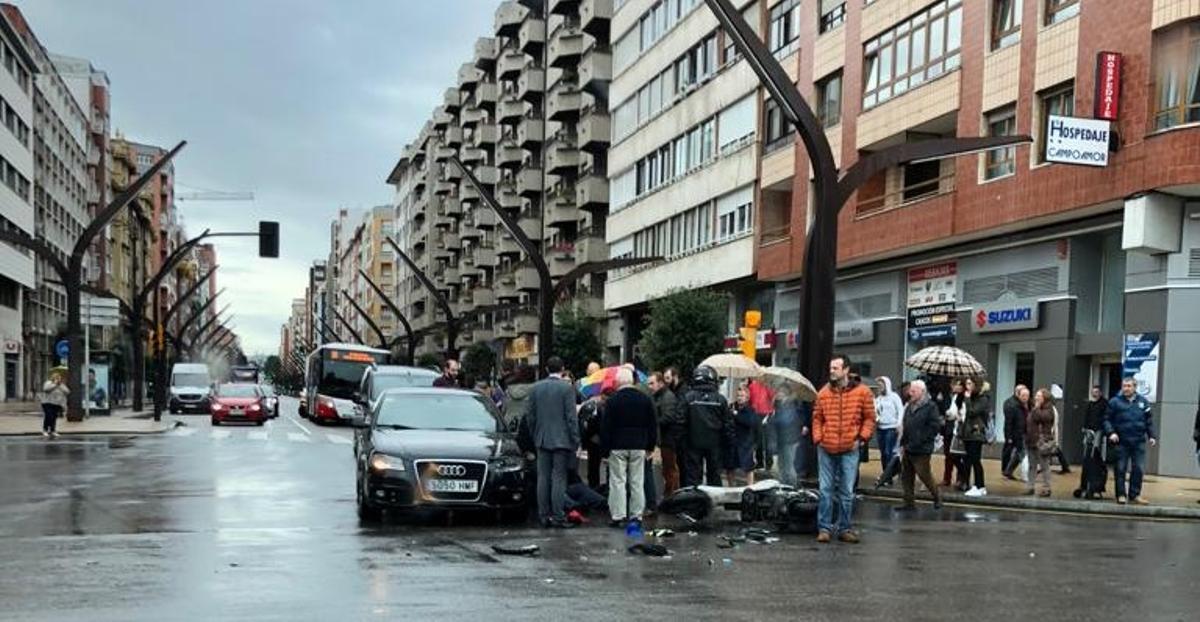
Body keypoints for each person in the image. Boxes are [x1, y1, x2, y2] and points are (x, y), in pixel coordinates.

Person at [811, 354, 876, 544]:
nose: (831, 371)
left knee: (847, 491)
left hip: (850, 447)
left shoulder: (863, 392)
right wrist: (818, 438)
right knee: (825, 490)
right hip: (826, 447)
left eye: (835, 368)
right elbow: (817, 418)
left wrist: (861, 439)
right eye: (831, 368)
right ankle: (824, 529)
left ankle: (844, 528)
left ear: (846, 370)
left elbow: (870, 418)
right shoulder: (823, 393)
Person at [599, 368, 658, 527]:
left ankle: (618, 515)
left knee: (617, 481)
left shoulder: (613, 401)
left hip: (617, 445)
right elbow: (652, 424)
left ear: (618, 382)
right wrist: (650, 446)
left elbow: (606, 427)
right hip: (639, 445)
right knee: (637, 481)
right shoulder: (644, 399)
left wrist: (604, 451)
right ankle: (636, 515)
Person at [526, 357, 579, 528]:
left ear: (547, 369)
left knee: (543, 477)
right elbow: (571, 418)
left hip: (541, 438)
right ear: (562, 369)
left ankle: (543, 515)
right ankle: (558, 515)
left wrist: (535, 434)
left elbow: (530, 416)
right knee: (559, 478)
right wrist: (575, 439)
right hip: (562, 439)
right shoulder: (567, 388)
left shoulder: (535, 388)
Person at [1105, 377, 1156, 505]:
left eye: (1129, 386)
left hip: (1138, 441)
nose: (1126, 388)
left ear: (1135, 387)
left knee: (1138, 468)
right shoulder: (1115, 402)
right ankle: (1121, 495)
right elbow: (1106, 419)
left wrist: (1152, 436)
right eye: (1124, 386)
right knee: (1120, 468)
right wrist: (1111, 432)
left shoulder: (1143, 402)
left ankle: (1135, 495)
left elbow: (1148, 421)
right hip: (1121, 441)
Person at [894, 380, 943, 512]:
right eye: (911, 390)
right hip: (908, 446)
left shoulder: (931, 407)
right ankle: (909, 502)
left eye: (914, 391)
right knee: (907, 476)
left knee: (924, 474)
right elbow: (906, 424)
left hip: (922, 448)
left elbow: (934, 427)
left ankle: (937, 497)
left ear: (922, 392)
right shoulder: (910, 406)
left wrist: (920, 439)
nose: (911, 393)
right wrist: (903, 443)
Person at [679, 365, 729, 487]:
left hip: (693, 443)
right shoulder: (720, 399)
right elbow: (728, 424)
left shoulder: (689, 398)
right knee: (715, 475)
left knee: (693, 476)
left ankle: (694, 502)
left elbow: (680, 421)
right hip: (715, 444)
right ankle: (715, 501)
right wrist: (728, 443)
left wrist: (681, 442)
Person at [648, 372, 682, 496]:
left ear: (660, 383)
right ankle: (670, 494)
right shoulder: (659, 396)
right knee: (667, 470)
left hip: (668, 439)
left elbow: (668, 417)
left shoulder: (667, 397)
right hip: (664, 439)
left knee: (670, 469)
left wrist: (652, 422)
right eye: (648, 383)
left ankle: (672, 496)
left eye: (652, 383)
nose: (649, 386)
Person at [958, 378, 991, 497]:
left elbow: (972, 412)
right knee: (968, 459)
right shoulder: (972, 398)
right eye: (966, 383)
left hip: (976, 433)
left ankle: (980, 486)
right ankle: (973, 485)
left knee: (975, 460)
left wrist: (967, 399)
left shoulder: (983, 399)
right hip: (968, 433)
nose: (967, 386)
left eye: (969, 383)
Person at [1076, 385, 1110, 499]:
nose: (1094, 394)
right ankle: (1085, 485)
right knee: (1087, 458)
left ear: (1100, 392)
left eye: (1096, 392)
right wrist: (1084, 428)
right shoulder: (1090, 404)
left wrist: (1101, 431)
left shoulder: (1104, 404)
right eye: (1093, 392)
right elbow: (1087, 417)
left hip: (1098, 432)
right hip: (1089, 433)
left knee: (1094, 457)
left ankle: (1093, 486)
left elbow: (1105, 419)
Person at [1025, 388, 1058, 498]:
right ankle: (1030, 486)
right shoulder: (1036, 408)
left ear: (1045, 397)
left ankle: (1046, 488)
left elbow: (1042, 418)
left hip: (1042, 441)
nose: (1036, 398)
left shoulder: (1049, 409)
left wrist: (1037, 408)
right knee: (1032, 465)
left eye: (1038, 396)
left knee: (1044, 466)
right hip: (1032, 440)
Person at [771, 386, 804, 487]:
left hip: (790, 439)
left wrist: (773, 419)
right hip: (782, 439)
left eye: (779, 392)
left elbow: (785, 421)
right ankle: (785, 486)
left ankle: (793, 487)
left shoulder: (791, 405)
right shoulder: (778, 405)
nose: (777, 394)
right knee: (783, 467)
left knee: (789, 467)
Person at [874, 377, 903, 480]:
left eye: (881, 385)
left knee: (888, 452)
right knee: (883, 453)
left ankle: (888, 475)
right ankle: (887, 474)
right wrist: (876, 419)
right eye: (878, 386)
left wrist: (899, 424)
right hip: (880, 428)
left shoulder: (894, 397)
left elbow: (900, 410)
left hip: (891, 427)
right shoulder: (877, 399)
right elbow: (875, 412)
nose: (879, 387)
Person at [729, 383, 758, 486]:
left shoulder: (750, 410)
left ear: (747, 397)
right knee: (730, 466)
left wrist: (736, 415)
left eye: (742, 396)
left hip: (745, 442)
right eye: (738, 395)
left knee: (748, 467)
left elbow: (750, 423)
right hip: (733, 440)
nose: (739, 398)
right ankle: (731, 487)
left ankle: (750, 487)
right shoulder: (732, 407)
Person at [941, 379, 967, 489]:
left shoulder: (966, 398)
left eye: (957, 385)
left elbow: (964, 414)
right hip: (950, 429)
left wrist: (959, 417)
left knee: (957, 456)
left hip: (960, 431)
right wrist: (948, 414)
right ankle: (947, 478)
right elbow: (951, 412)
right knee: (948, 455)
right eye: (954, 385)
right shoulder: (954, 397)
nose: (954, 387)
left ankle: (961, 479)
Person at [1001, 385, 1029, 479]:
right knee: (1021, 453)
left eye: (1027, 396)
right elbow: (1008, 422)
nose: (1026, 398)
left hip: (1023, 433)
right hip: (1016, 434)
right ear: (1018, 394)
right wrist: (1008, 436)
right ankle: (1025, 475)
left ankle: (1007, 471)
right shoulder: (1011, 405)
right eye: (1023, 395)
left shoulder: (1024, 404)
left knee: (1018, 453)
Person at [747, 379, 775, 471]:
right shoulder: (752, 386)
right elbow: (749, 400)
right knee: (758, 440)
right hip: (756, 414)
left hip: (767, 414)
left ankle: (768, 463)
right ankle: (760, 463)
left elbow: (773, 398)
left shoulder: (768, 385)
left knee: (767, 441)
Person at [501, 364, 536, 433]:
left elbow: (503, 410)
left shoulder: (508, 391)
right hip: (529, 427)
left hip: (510, 425)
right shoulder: (536, 390)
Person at [40, 371, 69, 438]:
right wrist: (55, 384)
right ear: (53, 378)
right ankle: (45, 430)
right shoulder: (48, 383)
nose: (58, 379)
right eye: (57, 378)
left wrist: (60, 385)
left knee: (54, 417)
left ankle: (53, 430)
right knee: (49, 416)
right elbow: (46, 389)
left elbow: (67, 391)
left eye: (59, 378)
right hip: (47, 403)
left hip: (57, 403)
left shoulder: (61, 385)